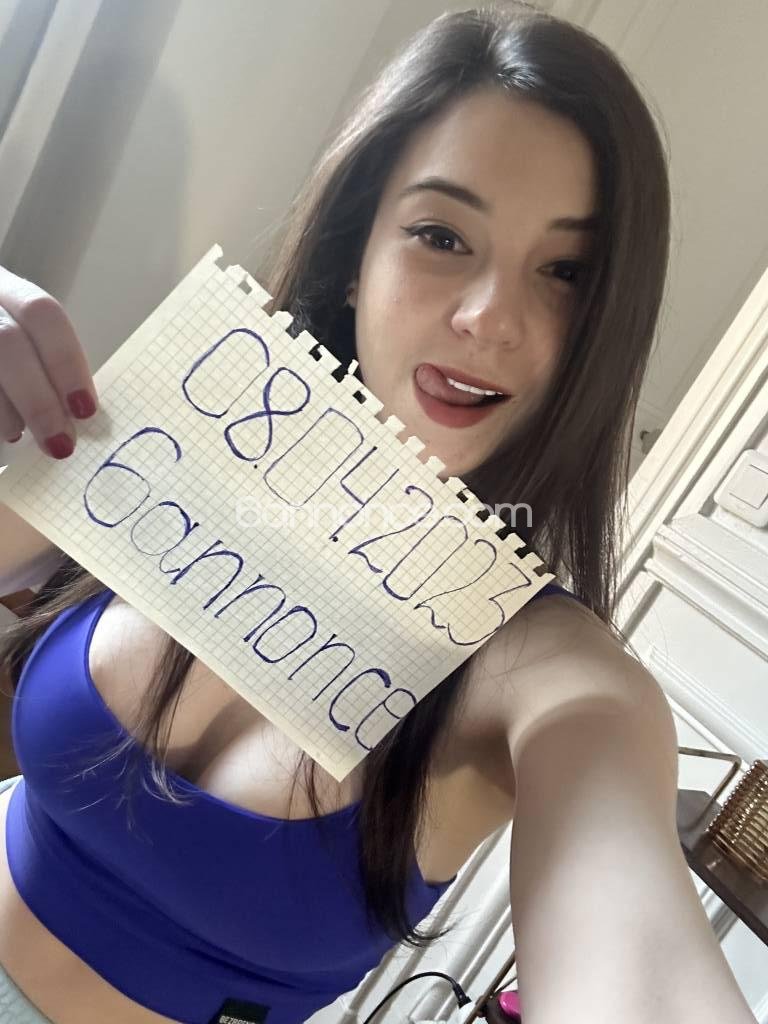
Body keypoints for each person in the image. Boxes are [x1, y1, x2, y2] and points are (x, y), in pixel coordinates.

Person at [0, 4, 756, 1024]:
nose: (489, 315)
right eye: (442, 236)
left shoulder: (557, 683)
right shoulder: (180, 442)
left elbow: (637, 958)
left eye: (565, 273)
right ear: (357, 258)